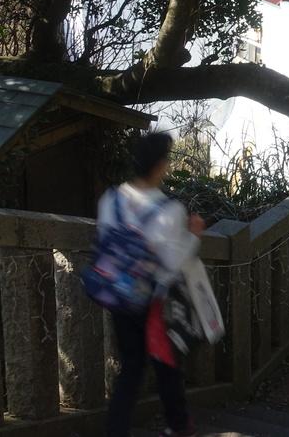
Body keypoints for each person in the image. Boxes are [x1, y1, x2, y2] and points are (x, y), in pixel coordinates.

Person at [98, 134, 203, 437]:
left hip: (118, 294)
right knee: (165, 362)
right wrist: (194, 235)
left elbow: (105, 243)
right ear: (159, 165)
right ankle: (178, 424)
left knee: (131, 366)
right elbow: (172, 262)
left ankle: (116, 430)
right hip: (152, 300)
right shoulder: (170, 211)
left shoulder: (110, 200)